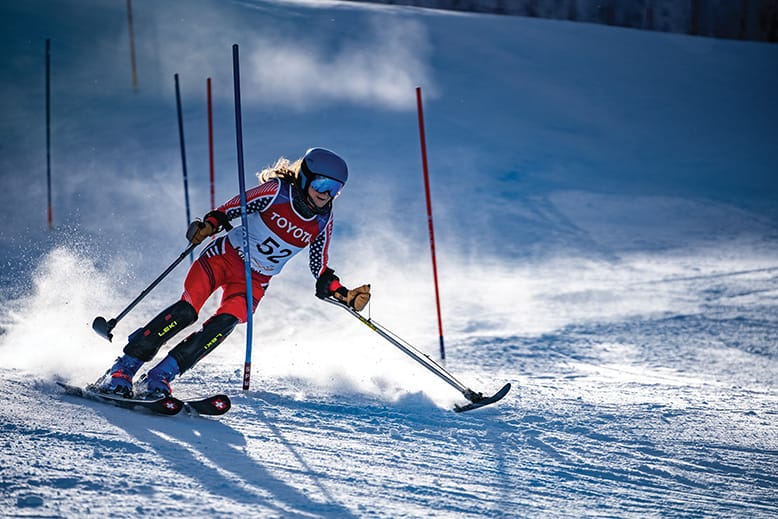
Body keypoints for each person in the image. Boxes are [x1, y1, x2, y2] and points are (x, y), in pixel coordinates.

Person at [97, 147, 371, 399]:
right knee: (186, 312)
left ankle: (161, 376)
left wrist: (342, 293)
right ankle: (124, 367)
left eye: (334, 189)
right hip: (222, 260)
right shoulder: (277, 192)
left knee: (223, 324)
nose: (325, 194)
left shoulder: (323, 221)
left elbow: (319, 267)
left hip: (255, 282)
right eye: (320, 184)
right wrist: (209, 224)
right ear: (304, 178)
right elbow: (230, 209)